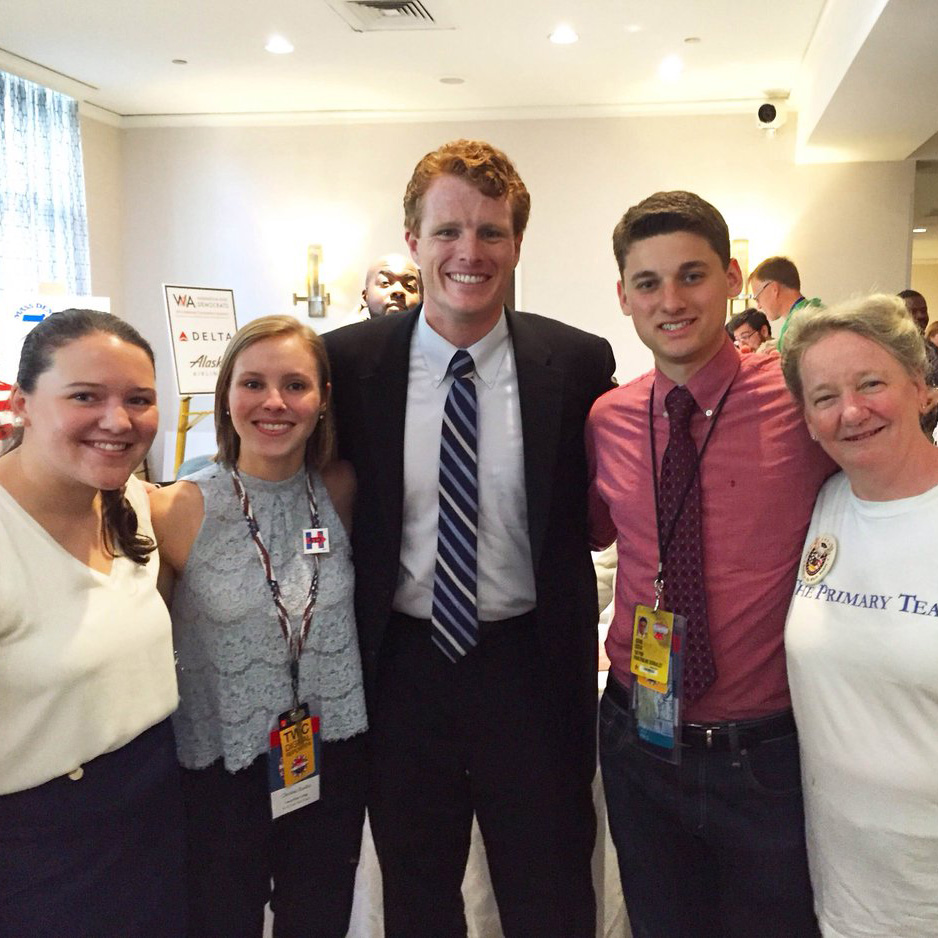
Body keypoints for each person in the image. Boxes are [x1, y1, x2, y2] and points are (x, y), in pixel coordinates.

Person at [324, 138, 616, 938]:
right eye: (448, 230)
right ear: (413, 240)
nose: (469, 252)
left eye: (492, 231)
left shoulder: (579, 360)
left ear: (517, 244)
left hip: (531, 668)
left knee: (550, 888)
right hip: (402, 668)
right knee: (416, 893)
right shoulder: (346, 364)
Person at [587, 191, 834, 938]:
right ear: (624, 295)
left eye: (692, 276)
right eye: (649, 283)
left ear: (732, 277)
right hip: (639, 743)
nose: (671, 301)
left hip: (766, 755)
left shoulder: (802, 399)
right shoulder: (609, 420)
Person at [149, 315, 368, 938]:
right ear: (226, 397)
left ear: (323, 399)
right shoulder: (175, 508)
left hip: (329, 759)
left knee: (320, 920)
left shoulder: (342, 489)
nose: (274, 402)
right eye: (253, 383)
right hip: (221, 769)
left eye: (295, 384)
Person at [0, 309, 185, 936]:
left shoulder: (130, 498)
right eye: (86, 396)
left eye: (139, 399)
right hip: (46, 847)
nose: (118, 420)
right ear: (22, 402)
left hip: (161, 801)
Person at [781, 294, 938, 937]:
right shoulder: (825, 505)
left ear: (923, 389)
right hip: (846, 890)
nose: (850, 411)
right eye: (824, 397)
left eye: (871, 383)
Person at [749, 255, 822, 353]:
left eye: (757, 298)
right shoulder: (815, 310)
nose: (759, 306)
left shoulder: (802, 324)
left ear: (773, 289)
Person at [359, 253, 422, 318]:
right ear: (366, 296)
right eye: (385, 282)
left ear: (420, 299)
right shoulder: (351, 328)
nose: (398, 290)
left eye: (409, 286)